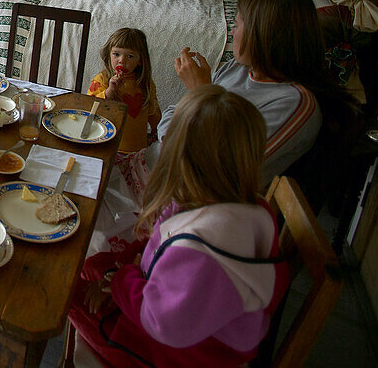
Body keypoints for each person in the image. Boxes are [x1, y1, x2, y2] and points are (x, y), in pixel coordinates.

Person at [95, 0, 334, 254]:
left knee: (82, 228)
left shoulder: (295, 104)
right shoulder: (238, 70)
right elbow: (170, 124)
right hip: (150, 167)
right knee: (75, 175)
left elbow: (218, 166)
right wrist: (196, 104)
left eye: (238, 24)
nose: (232, 32)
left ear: (265, 35)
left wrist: (201, 93)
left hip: (182, 205)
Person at [68, 85, 290, 367]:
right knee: (91, 265)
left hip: (183, 353)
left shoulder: (205, 248)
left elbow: (162, 322)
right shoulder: (244, 205)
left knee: (63, 292)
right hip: (187, 318)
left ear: (181, 158)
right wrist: (119, 270)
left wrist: (121, 283)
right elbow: (157, 247)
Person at [87, 28, 162, 153]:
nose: (122, 60)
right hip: (108, 147)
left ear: (140, 61)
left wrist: (157, 132)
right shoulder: (101, 80)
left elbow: (154, 113)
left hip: (137, 149)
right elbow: (91, 108)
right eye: (116, 54)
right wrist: (110, 90)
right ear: (108, 54)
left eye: (130, 56)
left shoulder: (146, 84)